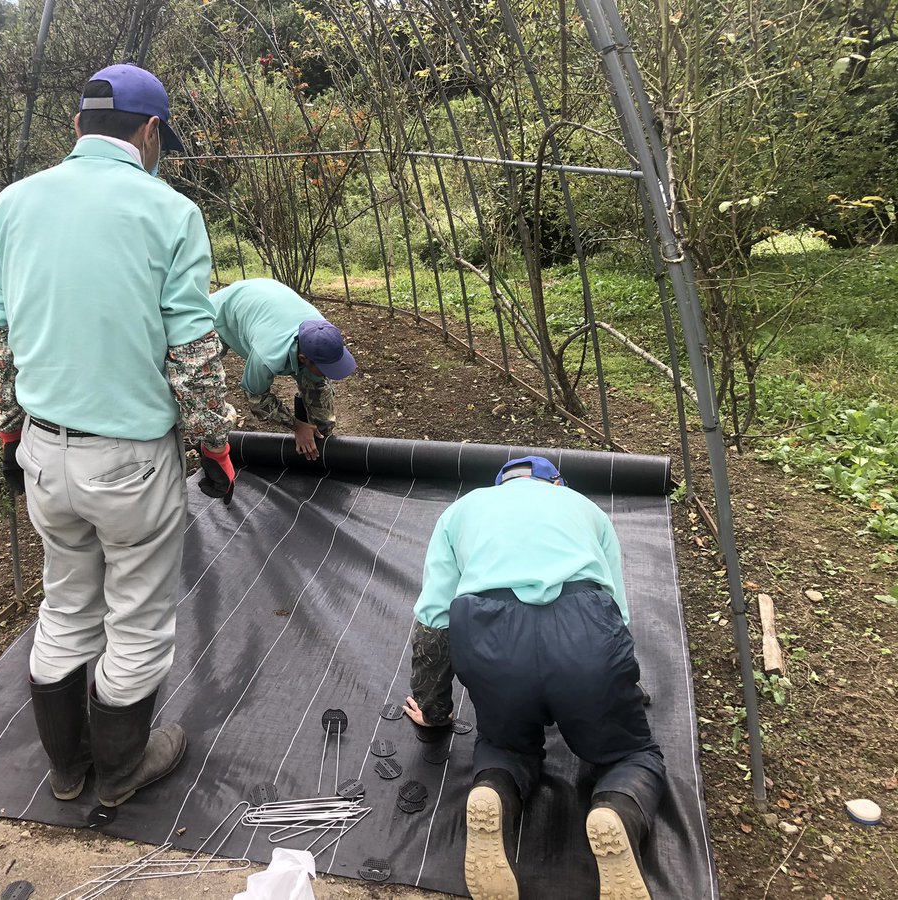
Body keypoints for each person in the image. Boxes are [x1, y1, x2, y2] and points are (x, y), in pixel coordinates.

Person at [0, 63, 237, 809]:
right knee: (140, 615)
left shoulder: (14, 203)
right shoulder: (168, 212)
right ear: (150, 132)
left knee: (66, 603)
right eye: (162, 140)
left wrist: (7, 437)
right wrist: (214, 450)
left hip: (43, 451)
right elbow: (192, 353)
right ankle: (122, 770)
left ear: (78, 126)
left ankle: (66, 770)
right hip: (128, 460)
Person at [403, 456, 665, 900]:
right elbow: (616, 611)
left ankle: (492, 791)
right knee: (630, 754)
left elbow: (433, 620)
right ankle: (617, 808)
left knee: (505, 746)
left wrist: (434, 709)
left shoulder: (462, 510)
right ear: (556, 483)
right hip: (583, 632)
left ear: (500, 484)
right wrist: (617, 685)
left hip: (490, 638)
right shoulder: (584, 507)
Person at [210, 278, 356, 460]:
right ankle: (203, 437)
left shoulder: (322, 332)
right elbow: (256, 398)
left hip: (268, 299)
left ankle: (320, 448)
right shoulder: (267, 355)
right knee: (205, 377)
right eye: (326, 368)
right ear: (303, 359)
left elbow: (318, 387)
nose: (330, 373)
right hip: (219, 312)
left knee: (318, 391)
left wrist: (321, 430)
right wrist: (298, 426)